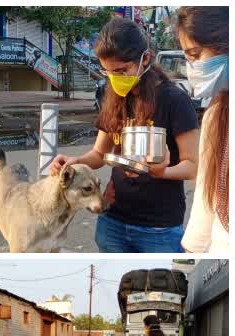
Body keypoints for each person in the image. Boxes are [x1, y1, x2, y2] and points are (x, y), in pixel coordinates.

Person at [51, 17, 199, 253]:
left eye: (121, 70)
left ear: (145, 59)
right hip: (113, 221)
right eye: (108, 72)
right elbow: (100, 153)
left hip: (158, 229)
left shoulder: (174, 100)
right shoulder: (114, 96)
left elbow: (192, 166)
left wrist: (161, 171)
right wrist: (75, 161)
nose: (115, 79)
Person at [175, 7, 229, 252]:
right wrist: (193, 250)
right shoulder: (217, 112)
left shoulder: (172, 99)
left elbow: (191, 165)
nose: (192, 67)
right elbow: (207, 193)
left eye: (196, 55)